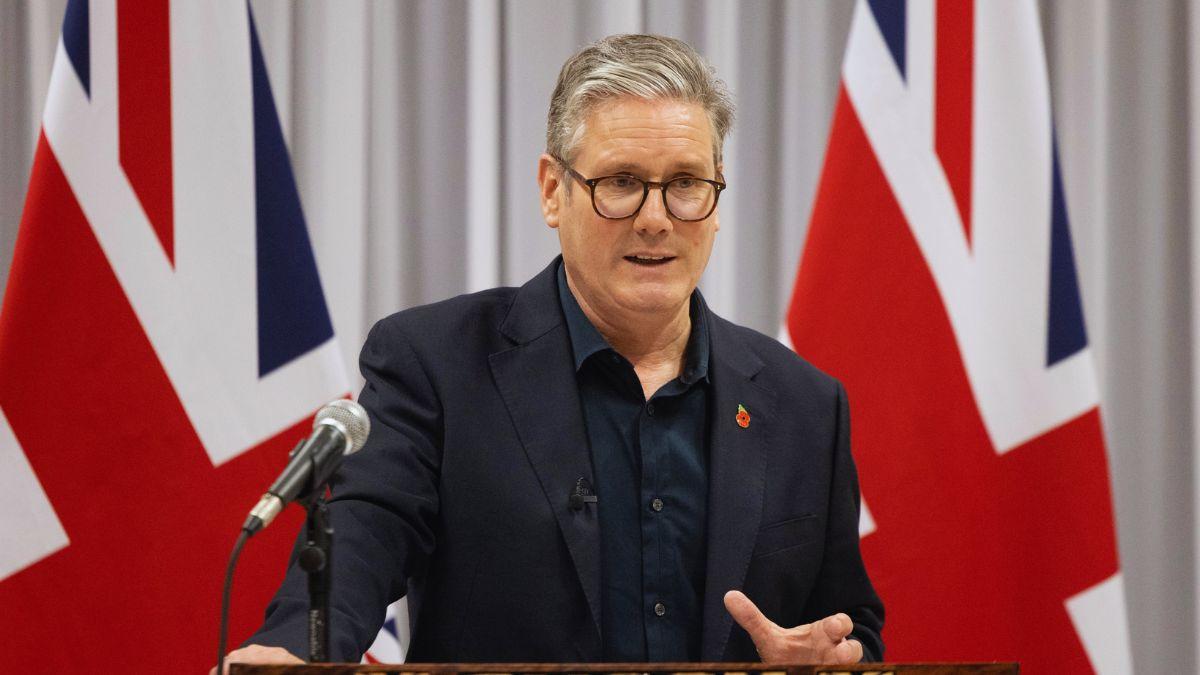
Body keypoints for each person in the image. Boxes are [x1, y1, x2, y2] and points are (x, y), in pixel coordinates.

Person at [216, 33, 883, 672]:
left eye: (685, 182)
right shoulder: (435, 365)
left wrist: (828, 658)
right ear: (552, 191)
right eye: (621, 181)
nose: (656, 218)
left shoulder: (805, 404)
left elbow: (849, 626)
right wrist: (295, 653)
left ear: (716, 196)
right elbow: (363, 535)